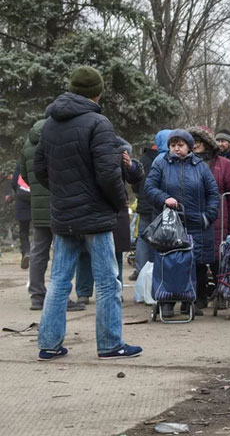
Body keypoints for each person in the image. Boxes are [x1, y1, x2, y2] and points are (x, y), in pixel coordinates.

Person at [34, 65, 142, 360]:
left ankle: (49, 344)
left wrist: (63, 191)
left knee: (58, 281)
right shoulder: (99, 123)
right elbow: (109, 174)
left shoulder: (50, 123)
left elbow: (40, 169)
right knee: (108, 281)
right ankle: (110, 344)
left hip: (64, 213)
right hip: (95, 215)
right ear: (98, 93)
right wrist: (118, 202)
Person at [144, 129, 220, 317]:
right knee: (169, 261)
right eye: (173, 145)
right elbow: (149, 187)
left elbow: (213, 193)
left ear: (189, 147)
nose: (176, 149)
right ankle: (167, 302)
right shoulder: (161, 164)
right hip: (170, 223)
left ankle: (190, 300)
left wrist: (208, 216)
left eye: (180, 145)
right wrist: (164, 198)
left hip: (196, 222)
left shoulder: (200, 166)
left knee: (195, 263)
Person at [20, 119, 87, 312]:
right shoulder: (56, 138)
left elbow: (24, 174)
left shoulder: (27, 143)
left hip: (38, 206)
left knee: (38, 252)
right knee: (62, 251)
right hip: (60, 203)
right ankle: (61, 297)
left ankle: (37, 296)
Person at [76, 138, 145, 304]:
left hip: (116, 207)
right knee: (85, 252)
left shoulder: (119, 152)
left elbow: (136, 178)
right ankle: (83, 292)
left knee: (116, 252)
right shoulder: (84, 152)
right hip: (90, 206)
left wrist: (131, 166)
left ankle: (116, 289)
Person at [189, 126, 230, 306]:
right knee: (196, 260)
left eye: (198, 142)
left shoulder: (224, 164)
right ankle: (199, 297)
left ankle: (222, 294)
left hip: (220, 219)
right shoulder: (187, 163)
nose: (195, 146)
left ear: (206, 144)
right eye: (193, 142)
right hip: (195, 218)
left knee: (219, 260)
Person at [129, 132, 165, 280]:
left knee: (143, 238)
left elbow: (135, 184)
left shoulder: (143, 160)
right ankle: (157, 271)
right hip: (159, 205)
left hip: (144, 204)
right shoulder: (165, 159)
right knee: (159, 239)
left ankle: (141, 271)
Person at [10, 163, 31, 268]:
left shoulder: (20, 164)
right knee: (41, 230)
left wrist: (17, 192)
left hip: (22, 200)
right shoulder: (42, 158)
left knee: (23, 231)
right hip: (37, 200)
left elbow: (14, 182)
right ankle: (40, 256)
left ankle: (26, 252)